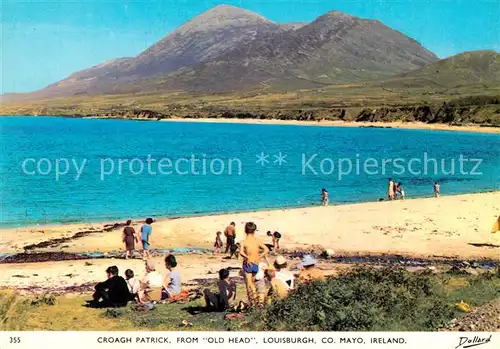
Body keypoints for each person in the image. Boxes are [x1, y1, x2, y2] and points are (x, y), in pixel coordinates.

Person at [239, 222, 270, 307]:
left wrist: (247, 257)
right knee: (254, 282)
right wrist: (259, 257)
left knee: (250, 284)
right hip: (256, 263)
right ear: (254, 230)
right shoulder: (257, 240)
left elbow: (241, 252)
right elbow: (266, 249)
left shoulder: (244, 241)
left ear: (245, 230)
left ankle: (253, 304)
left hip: (248, 264)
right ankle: (257, 303)